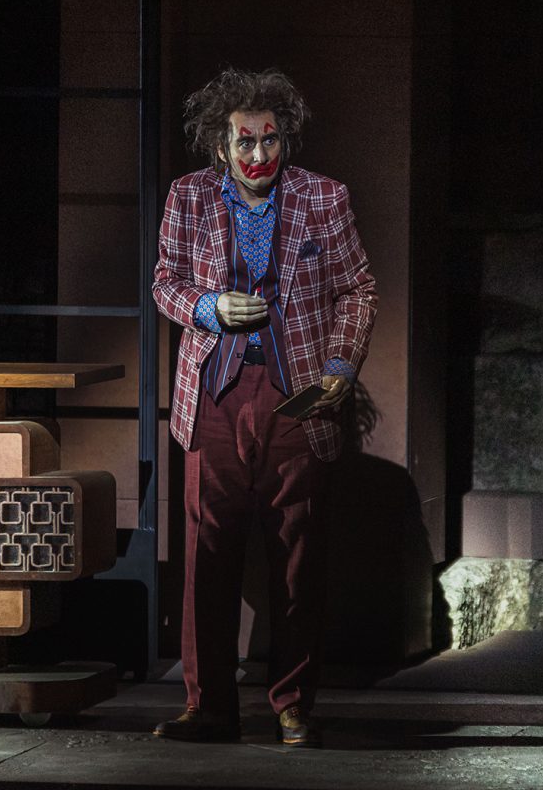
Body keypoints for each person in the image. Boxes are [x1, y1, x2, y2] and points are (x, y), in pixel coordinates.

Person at [150, 67, 377, 748]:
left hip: (295, 396)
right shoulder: (188, 196)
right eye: (244, 142)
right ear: (220, 145)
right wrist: (206, 307)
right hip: (215, 394)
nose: (259, 155)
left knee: (297, 555)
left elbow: (358, 290)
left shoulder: (323, 197)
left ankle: (292, 705)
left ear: (286, 139)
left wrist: (340, 367)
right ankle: (209, 707)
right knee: (207, 553)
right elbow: (164, 282)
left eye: (270, 139)